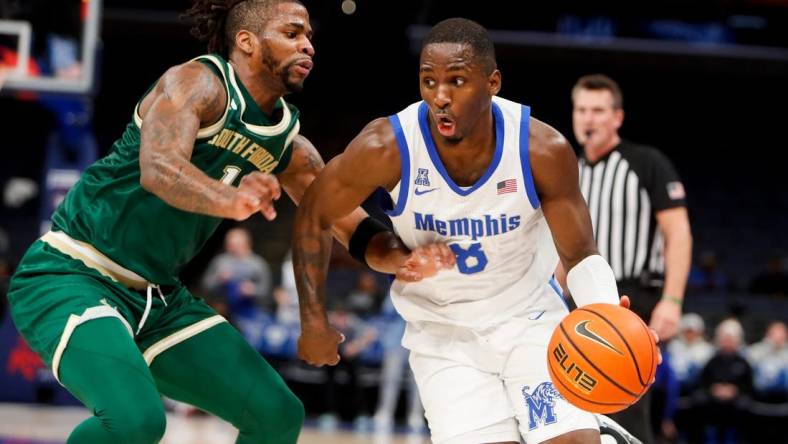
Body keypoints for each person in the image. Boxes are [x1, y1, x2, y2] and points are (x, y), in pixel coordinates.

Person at [5, 1, 443, 443]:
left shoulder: (288, 143)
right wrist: (230, 200)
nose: (307, 44)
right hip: (72, 273)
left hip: (158, 300)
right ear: (247, 42)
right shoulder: (197, 83)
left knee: (277, 415)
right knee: (134, 420)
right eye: (292, 33)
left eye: (309, 35)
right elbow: (158, 169)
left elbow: (346, 222)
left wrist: (402, 258)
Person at [293, 17, 652, 444]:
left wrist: (609, 317)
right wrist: (314, 317)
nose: (440, 97)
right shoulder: (385, 146)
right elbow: (314, 211)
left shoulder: (542, 150)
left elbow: (580, 254)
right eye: (428, 82)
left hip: (530, 320)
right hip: (442, 335)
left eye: (457, 81)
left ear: (492, 82)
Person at [566, 73, 693, 443]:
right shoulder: (568, 172)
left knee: (624, 403)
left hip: (634, 295)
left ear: (617, 117)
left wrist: (672, 300)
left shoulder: (646, 162)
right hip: (581, 301)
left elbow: (678, 233)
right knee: (580, 406)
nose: (588, 119)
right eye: (582, 110)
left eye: (598, 110)